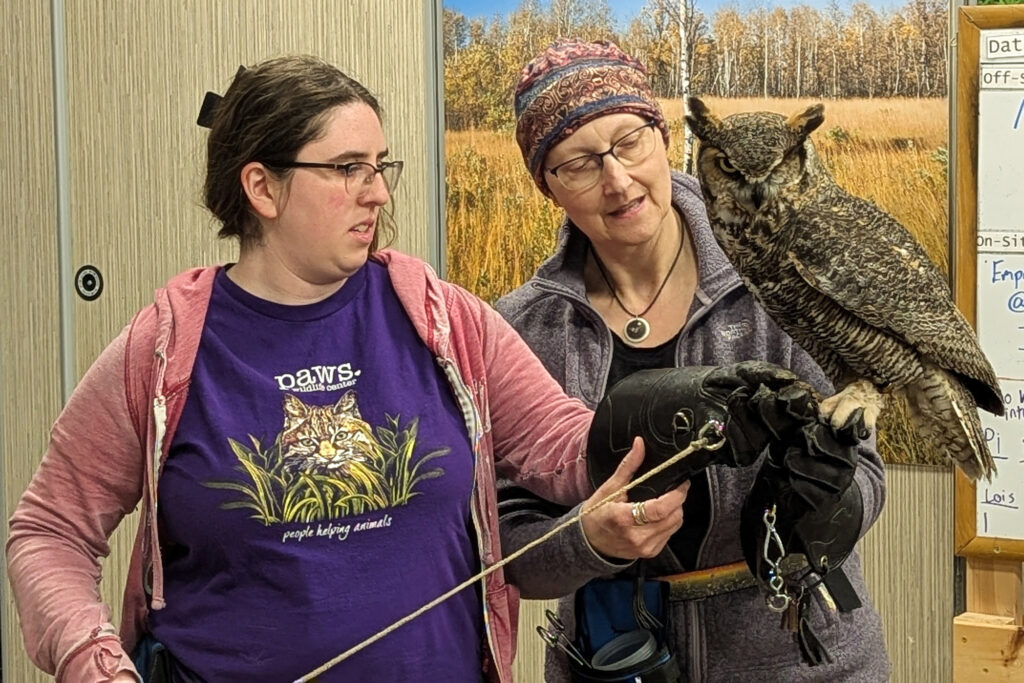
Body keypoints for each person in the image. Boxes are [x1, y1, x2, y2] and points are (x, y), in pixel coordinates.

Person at [6, 54, 812, 683]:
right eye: (345, 168)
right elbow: (47, 532)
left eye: (380, 166)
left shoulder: (439, 316)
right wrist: (94, 662)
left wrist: (687, 417)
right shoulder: (166, 346)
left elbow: (567, 446)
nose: (373, 193)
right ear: (262, 186)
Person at [496, 39, 891, 682]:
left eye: (629, 142)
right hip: (615, 660)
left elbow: (865, 467)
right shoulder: (524, 326)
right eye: (580, 163)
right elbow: (510, 538)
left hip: (801, 658)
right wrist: (589, 541)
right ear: (546, 183)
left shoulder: (777, 277)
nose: (618, 180)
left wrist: (825, 506)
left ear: (661, 135)